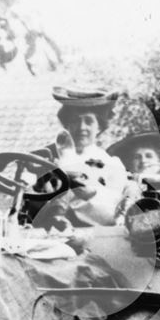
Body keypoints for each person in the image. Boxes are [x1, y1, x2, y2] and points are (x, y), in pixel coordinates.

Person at [33, 86, 128, 228]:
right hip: (47, 235)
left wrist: (89, 193)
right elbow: (30, 204)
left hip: (96, 238)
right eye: (75, 121)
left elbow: (115, 214)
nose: (82, 127)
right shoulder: (47, 157)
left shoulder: (111, 164)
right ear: (66, 124)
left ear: (100, 127)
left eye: (89, 121)